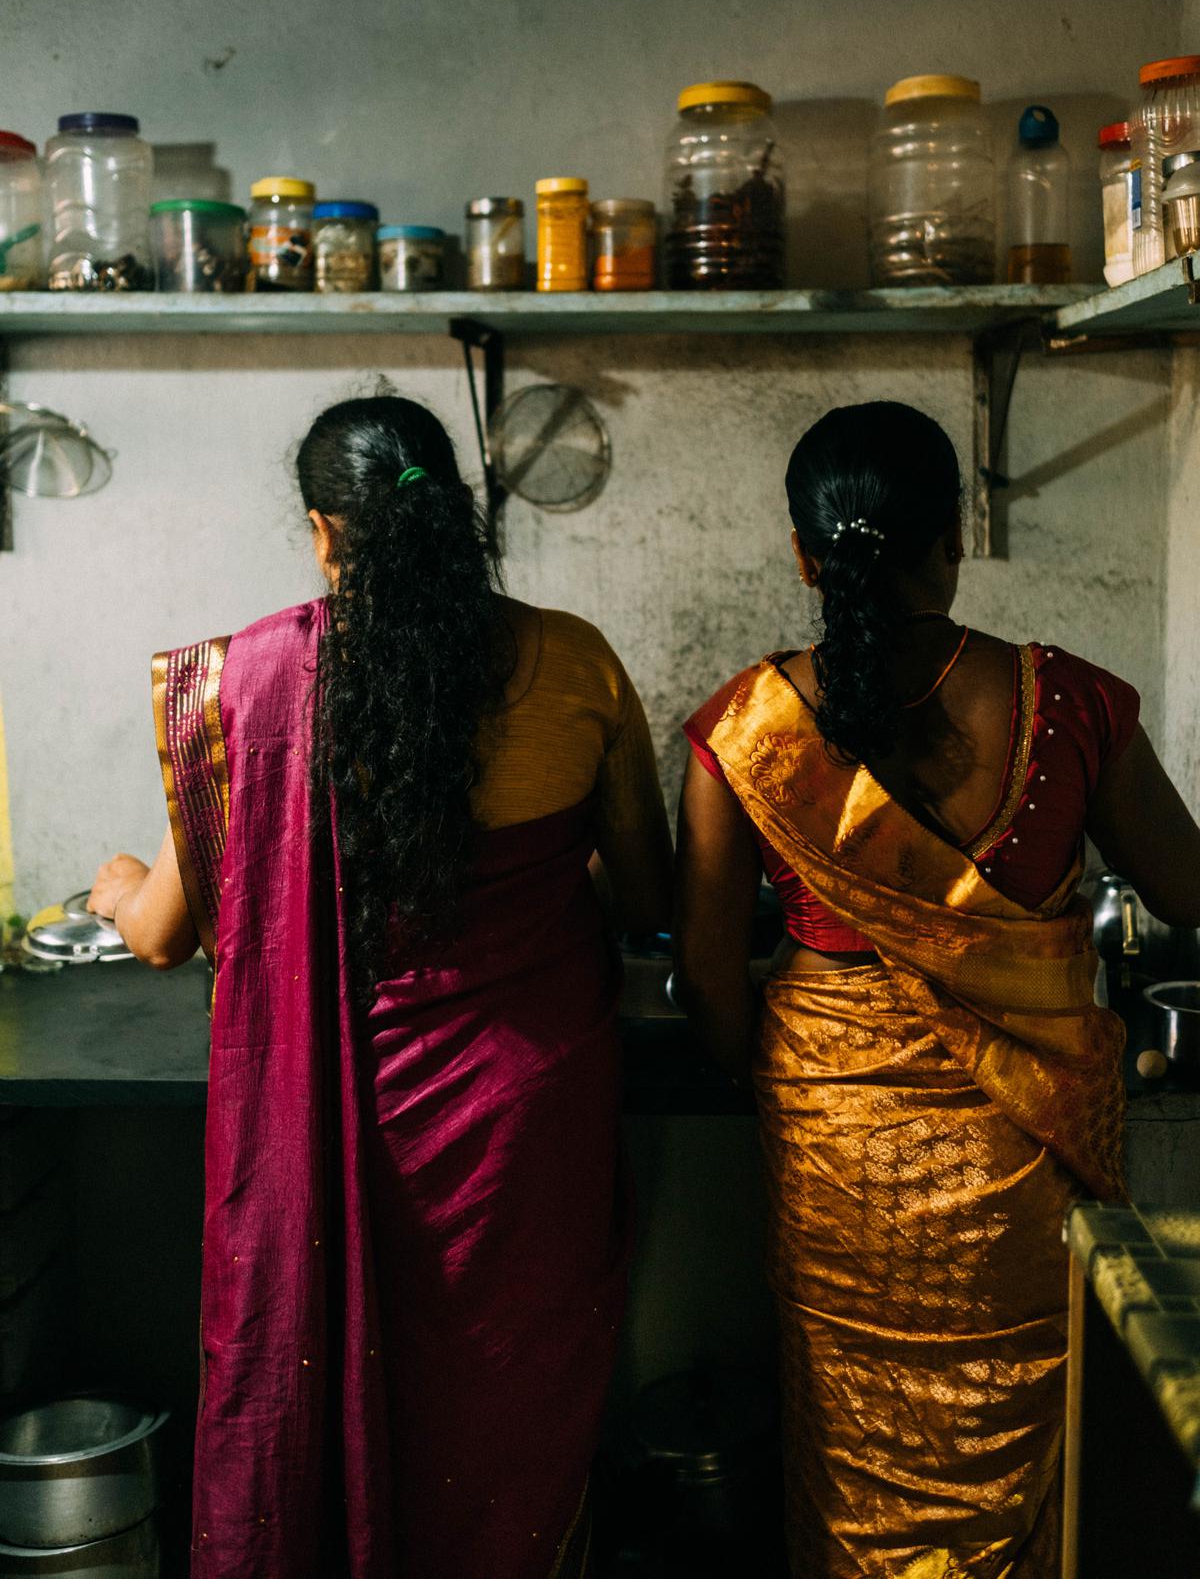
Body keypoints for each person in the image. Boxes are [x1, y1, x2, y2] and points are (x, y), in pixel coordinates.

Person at [89, 394, 673, 1579]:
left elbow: (161, 937)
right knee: (513, 1427)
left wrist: (116, 887)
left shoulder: (242, 690)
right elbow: (650, 897)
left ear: (322, 531)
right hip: (530, 1126)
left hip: (334, 1125)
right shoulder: (573, 662)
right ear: (452, 514)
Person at [673, 400, 1200, 1579]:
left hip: (833, 1155)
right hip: (1018, 1153)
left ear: (804, 555)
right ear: (952, 540)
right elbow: (1188, 888)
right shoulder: (1073, 707)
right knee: (1011, 1442)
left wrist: (771, 1078)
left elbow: (709, 981)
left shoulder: (739, 732)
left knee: (856, 1454)